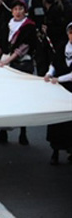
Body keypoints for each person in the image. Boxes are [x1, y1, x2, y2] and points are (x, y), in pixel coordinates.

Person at [0, 0, 37, 145]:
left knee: (22, 98)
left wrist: (7, 61)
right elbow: (1, 43)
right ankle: (2, 132)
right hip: (6, 62)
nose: (17, 12)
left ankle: (23, 132)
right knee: (5, 98)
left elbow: (23, 48)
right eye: (15, 9)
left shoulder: (29, 26)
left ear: (25, 11)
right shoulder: (7, 24)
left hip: (21, 64)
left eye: (20, 9)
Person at [43, 22, 72, 165]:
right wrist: (49, 73)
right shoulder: (62, 47)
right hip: (59, 89)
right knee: (57, 120)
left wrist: (59, 79)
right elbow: (54, 63)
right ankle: (55, 151)